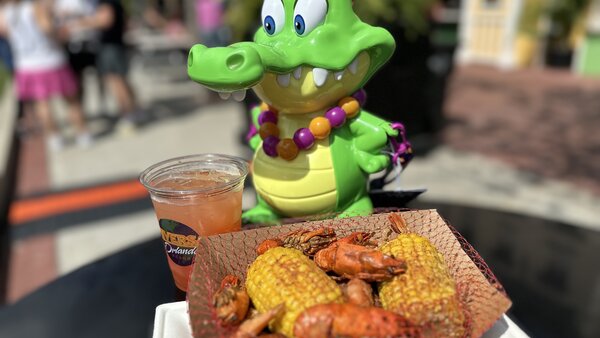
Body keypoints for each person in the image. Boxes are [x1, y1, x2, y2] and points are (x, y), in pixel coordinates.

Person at [0, 0, 93, 151]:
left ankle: (55, 138)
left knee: (42, 104)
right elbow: (47, 29)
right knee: (71, 101)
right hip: (50, 60)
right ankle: (83, 134)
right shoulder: (34, 7)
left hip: (26, 64)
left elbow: (6, 33)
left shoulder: (6, 13)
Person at [65, 0, 142, 134]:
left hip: (110, 48)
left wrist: (80, 23)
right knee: (121, 81)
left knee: (117, 83)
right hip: (113, 46)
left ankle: (128, 116)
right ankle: (132, 112)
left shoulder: (107, 2)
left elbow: (105, 21)